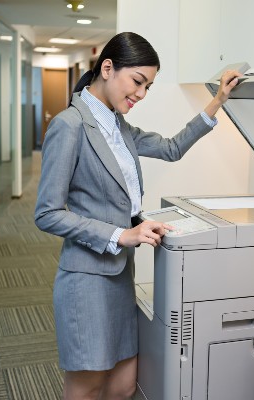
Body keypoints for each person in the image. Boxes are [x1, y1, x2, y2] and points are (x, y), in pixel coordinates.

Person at [34, 31, 241, 400]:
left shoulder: (119, 126)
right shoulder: (69, 126)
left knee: (124, 384)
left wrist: (218, 101)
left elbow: (172, 147)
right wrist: (120, 235)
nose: (141, 94)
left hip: (119, 275)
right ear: (108, 68)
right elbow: (47, 213)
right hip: (86, 278)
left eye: (148, 86)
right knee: (88, 387)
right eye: (138, 82)